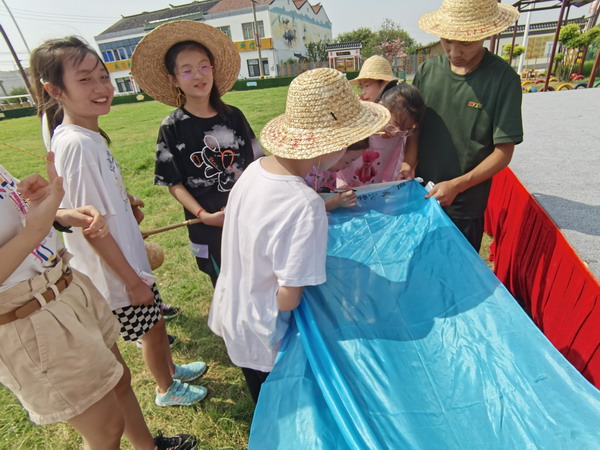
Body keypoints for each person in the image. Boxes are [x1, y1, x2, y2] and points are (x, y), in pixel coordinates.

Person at [30, 36, 208, 409]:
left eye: (103, 76)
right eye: (85, 80)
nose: (101, 88)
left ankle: (171, 371)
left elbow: (95, 205)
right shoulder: (77, 144)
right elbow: (89, 225)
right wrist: (131, 281)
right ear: (55, 90)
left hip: (127, 262)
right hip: (116, 275)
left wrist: (126, 207)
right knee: (152, 329)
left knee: (156, 324)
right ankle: (166, 389)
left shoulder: (88, 137)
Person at [208, 68, 390, 403]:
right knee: (279, 408)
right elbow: (288, 298)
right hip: (266, 334)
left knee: (259, 400)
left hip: (233, 312)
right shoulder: (305, 204)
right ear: (333, 143)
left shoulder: (253, 170)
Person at [0, 158, 198, 449]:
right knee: (105, 431)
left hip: (64, 289)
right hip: (30, 316)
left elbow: (17, 224)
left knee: (119, 380)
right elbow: (28, 233)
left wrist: (61, 214)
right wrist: (37, 228)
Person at [131, 20, 262, 287]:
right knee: (225, 282)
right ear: (174, 79)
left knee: (258, 272)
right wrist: (203, 215)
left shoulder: (234, 116)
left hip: (247, 212)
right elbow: (174, 183)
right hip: (206, 222)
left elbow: (258, 164)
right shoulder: (172, 127)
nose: (199, 75)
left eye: (204, 66)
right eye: (187, 70)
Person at [407, 0, 523, 251]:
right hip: (421, 195)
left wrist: (458, 185)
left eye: (465, 43)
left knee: (458, 280)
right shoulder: (427, 70)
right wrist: (408, 162)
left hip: (464, 203)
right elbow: (416, 126)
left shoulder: (503, 80)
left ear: (486, 34)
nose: (454, 52)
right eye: (447, 41)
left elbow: (503, 152)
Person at [337, 83, 426, 187]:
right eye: (394, 125)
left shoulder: (399, 136)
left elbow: (394, 167)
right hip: (344, 187)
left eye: (404, 130)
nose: (395, 133)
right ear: (382, 108)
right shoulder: (359, 126)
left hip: (374, 190)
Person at [304, 138, 369, 211]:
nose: (349, 166)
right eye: (347, 162)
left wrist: (336, 191)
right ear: (333, 153)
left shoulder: (329, 170)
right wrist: (335, 202)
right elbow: (308, 208)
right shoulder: (308, 174)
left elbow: (321, 192)